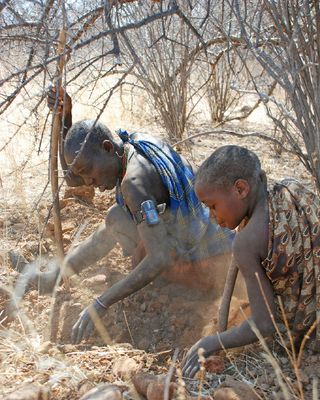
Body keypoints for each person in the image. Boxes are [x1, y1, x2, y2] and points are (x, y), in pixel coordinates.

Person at [21, 89, 235, 344]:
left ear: (107, 148)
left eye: (89, 172)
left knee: (118, 222)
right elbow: (72, 176)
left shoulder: (134, 184)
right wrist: (64, 118)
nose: (89, 182)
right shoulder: (130, 145)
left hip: (207, 263)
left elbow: (159, 258)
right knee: (117, 220)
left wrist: (101, 302)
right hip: (206, 242)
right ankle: (58, 275)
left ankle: (174, 287)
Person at [183, 145, 320, 378]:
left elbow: (263, 324)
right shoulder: (291, 189)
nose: (211, 216)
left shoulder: (247, 242)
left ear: (240, 189)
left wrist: (211, 342)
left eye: (212, 206)